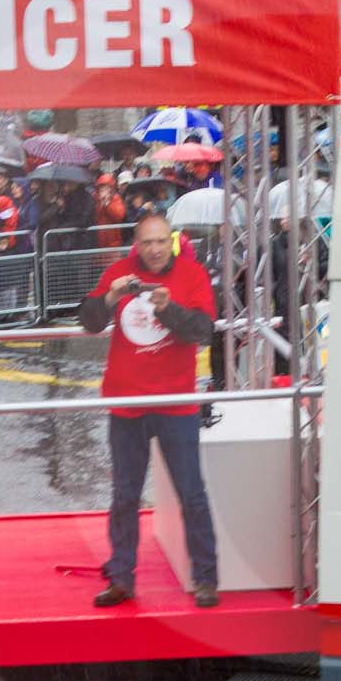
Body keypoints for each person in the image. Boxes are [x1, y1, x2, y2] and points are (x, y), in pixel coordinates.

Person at [79, 214, 220, 609]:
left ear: (172, 241)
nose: (154, 250)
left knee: (191, 493)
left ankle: (206, 578)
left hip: (176, 403)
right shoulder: (119, 271)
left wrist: (167, 308)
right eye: (147, 243)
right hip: (127, 404)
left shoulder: (191, 274)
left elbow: (202, 331)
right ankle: (121, 577)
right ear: (136, 245)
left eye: (161, 242)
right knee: (124, 495)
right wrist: (110, 298)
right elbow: (89, 322)